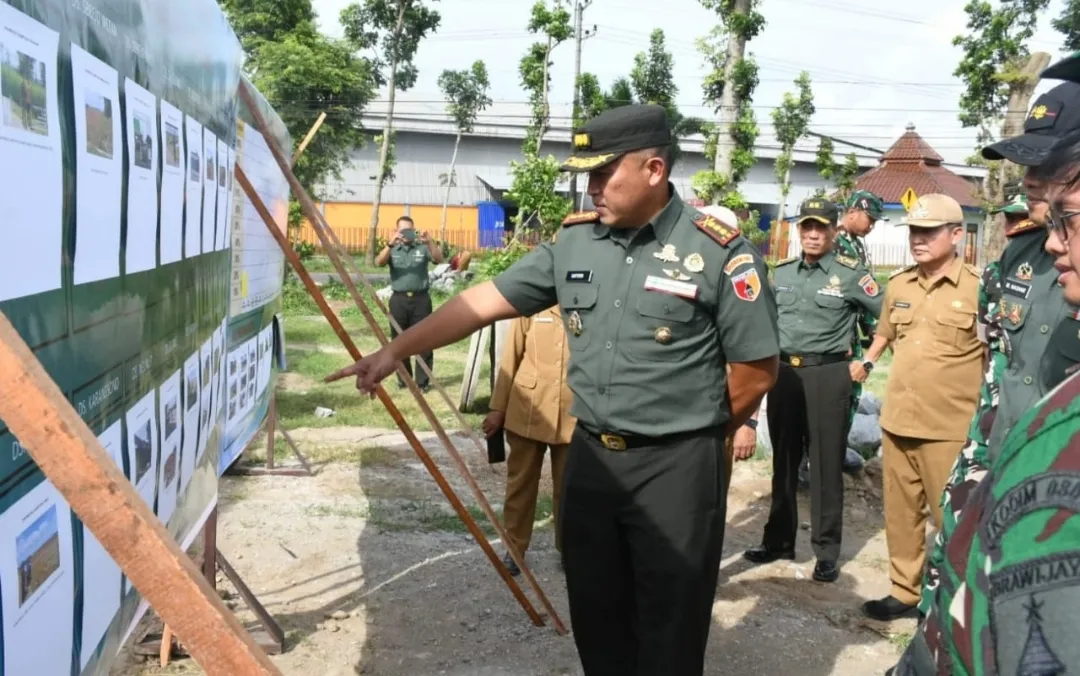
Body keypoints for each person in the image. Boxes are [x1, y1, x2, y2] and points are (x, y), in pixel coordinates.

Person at [326, 103, 780, 676]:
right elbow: (482, 301)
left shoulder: (718, 251)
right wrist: (396, 350)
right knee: (596, 614)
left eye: (603, 174)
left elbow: (756, 371)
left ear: (654, 170)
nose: (592, 189)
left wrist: (690, 439)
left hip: (677, 470)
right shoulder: (575, 244)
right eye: (587, 176)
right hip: (590, 461)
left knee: (671, 626)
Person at [892, 120, 1080, 676]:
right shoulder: (1017, 258)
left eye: (1046, 168)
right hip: (995, 455)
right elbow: (999, 362)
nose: (1029, 179)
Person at [855, 194, 983, 621]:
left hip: (948, 427)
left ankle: (954, 602)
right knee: (901, 515)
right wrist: (868, 360)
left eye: (928, 232)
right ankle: (904, 592)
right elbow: (887, 334)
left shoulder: (979, 289)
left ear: (956, 235)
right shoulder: (900, 285)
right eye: (913, 231)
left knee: (952, 521)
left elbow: (995, 359)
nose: (918, 240)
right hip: (897, 420)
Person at [743, 197, 882, 583]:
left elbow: (889, 316)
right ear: (799, 230)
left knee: (825, 465)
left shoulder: (851, 274)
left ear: (834, 231)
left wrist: (869, 360)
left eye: (821, 227)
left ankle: (826, 551)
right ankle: (778, 541)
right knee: (784, 462)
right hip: (785, 374)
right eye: (807, 227)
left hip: (829, 374)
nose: (814, 234)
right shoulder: (781, 272)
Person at [482, 305, 574, 576]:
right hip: (528, 408)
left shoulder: (587, 304)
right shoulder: (533, 306)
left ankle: (569, 549)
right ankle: (514, 549)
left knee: (570, 488)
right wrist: (498, 408)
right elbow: (510, 357)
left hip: (572, 412)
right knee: (521, 484)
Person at [699, 203, 762, 492]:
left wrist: (747, 423)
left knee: (708, 496)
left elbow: (755, 365)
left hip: (718, 414)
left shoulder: (744, 280)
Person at [375, 216, 443, 392]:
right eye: (402, 230)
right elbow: (379, 262)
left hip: (421, 300)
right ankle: (404, 380)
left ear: (414, 230)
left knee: (424, 340)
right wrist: (390, 244)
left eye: (409, 230)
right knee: (399, 342)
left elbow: (439, 259)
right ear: (396, 231)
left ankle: (422, 382)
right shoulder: (393, 249)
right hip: (399, 300)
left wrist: (430, 242)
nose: (406, 233)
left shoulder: (422, 247)